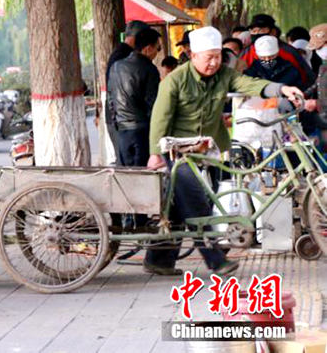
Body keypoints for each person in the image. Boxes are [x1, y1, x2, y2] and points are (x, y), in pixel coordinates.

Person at [145, 26, 305, 276]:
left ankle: (158, 259)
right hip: (176, 152)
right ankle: (215, 260)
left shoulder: (224, 75)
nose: (214, 62)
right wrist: (155, 154)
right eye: (208, 57)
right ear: (193, 55)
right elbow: (159, 119)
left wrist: (281, 89)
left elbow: (250, 84)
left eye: (217, 56)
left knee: (181, 204)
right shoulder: (174, 81)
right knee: (197, 204)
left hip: (207, 149)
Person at [107, 28, 162, 169]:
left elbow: (111, 99)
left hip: (121, 131)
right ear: (148, 49)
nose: (157, 53)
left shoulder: (116, 66)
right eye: (158, 48)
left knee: (126, 176)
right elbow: (153, 104)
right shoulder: (149, 69)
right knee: (142, 177)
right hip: (141, 133)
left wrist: (117, 122)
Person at [104, 21, 149, 164]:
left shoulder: (123, 54)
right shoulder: (123, 57)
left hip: (122, 119)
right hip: (123, 120)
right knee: (129, 166)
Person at [238, 14, 314, 88]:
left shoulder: (289, 52)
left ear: (273, 32)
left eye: (261, 30)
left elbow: (305, 77)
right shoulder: (246, 53)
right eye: (253, 31)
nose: (257, 34)